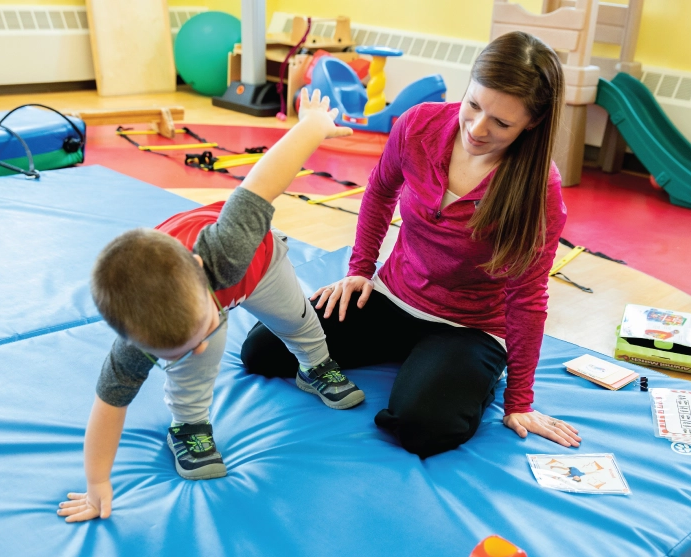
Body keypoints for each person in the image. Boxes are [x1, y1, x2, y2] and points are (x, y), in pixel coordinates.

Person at [241, 32, 582, 458]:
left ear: (531, 122)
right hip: (393, 296)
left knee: (422, 427)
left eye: (502, 123)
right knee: (262, 350)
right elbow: (380, 192)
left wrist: (519, 402)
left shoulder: (540, 189)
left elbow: (527, 296)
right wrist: (360, 271)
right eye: (474, 105)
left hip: (468, 326)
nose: (477, 128)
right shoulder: (419, 124)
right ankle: (418, 357)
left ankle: (461, 371)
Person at [57, 90, 364, 523]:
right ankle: (188, 425)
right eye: (178, 346)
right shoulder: (137, 340)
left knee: (297, 318)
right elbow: (108, 408)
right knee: (195, 365)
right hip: (200, 299)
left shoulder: (227, 247)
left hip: (260, 265)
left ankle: (314, 365)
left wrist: (311, 126)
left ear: (201, 271)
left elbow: (265, 178)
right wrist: (97, 485)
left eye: (197, 332)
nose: (199, 346)